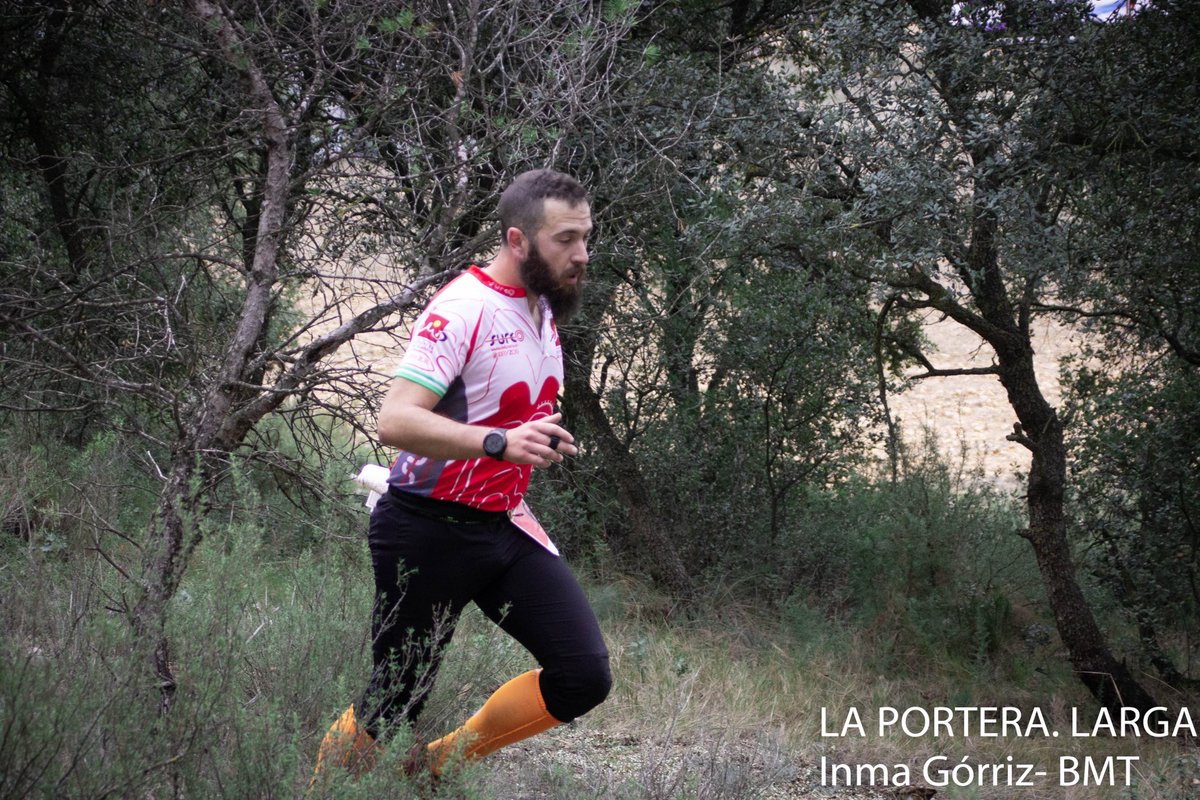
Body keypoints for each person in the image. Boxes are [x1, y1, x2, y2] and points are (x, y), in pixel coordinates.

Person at [312, 168, 612, 784]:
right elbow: (394, 420)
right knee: (394, 702)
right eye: (566, 239)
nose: (581, 255)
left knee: (582, 675)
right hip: (425, 529)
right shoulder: (463, 307)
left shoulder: (541, 309)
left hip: (503, 529)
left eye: (587, 237)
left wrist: (528, 439)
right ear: (517, 241)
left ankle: (437, 769)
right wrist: (498, 442)